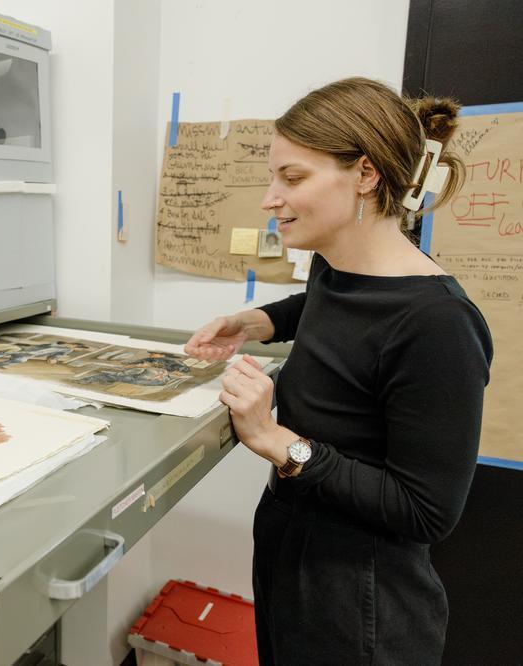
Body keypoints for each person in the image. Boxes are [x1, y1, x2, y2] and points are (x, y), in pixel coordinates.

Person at [184, 78, 493, 664]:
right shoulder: (335, 266)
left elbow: (425, 511)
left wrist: (276, 440)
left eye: (293, 178)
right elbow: (331, 309)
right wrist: (254, 321)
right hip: (290, 548)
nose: (270, 198)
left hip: (359, 596)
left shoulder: (438, 324)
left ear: (367, 175)